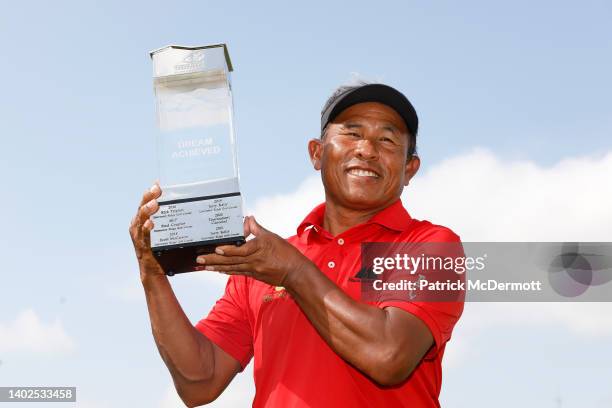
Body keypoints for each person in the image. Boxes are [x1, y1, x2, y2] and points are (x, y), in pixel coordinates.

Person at [129, 82, 464, 407]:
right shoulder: (263, 263)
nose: (367, 149)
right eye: (352, 133)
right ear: (316, 153)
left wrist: (292, 272)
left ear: (410, 169)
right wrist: (152, 272)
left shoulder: (433, 246)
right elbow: (199, 383)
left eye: (388, 140)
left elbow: (389, 355)